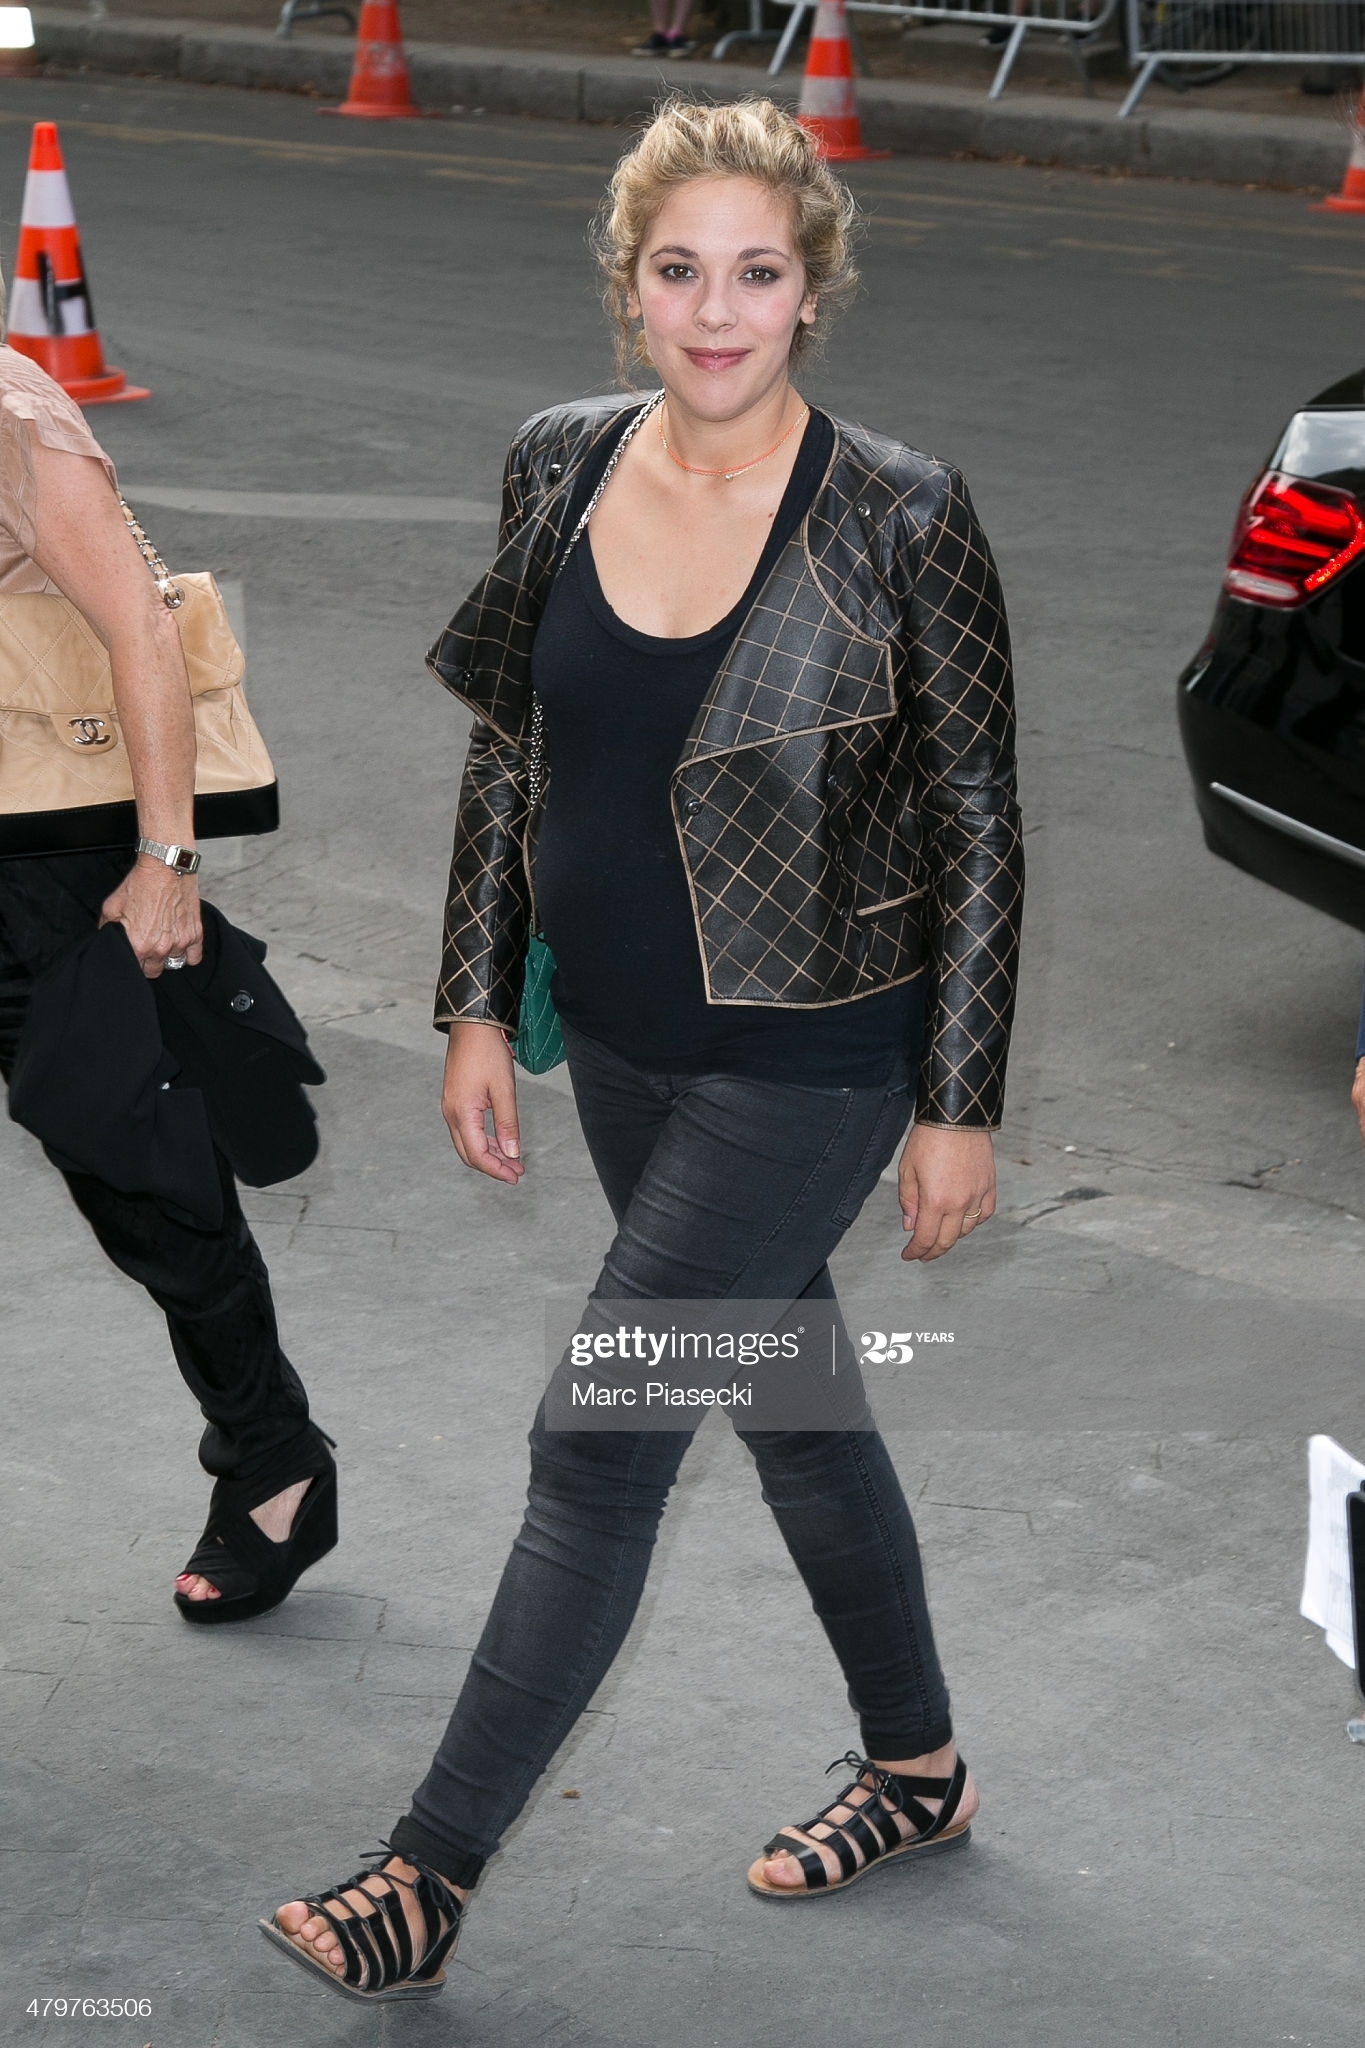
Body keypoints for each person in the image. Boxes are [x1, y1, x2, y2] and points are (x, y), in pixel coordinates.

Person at [263, 96, 1023, 2003]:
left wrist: (956, 1101)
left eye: (756, 272)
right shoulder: (560, 460)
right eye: (680, 270)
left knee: (596, 1439)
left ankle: (427, 1871)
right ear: (630, 282)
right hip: (617, 1043)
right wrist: (470, 1001)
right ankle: (919, 1770)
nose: (716, 310)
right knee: (794, 1401)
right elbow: (514, 749)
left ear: (811, 288)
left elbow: (980, 821)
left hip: (813, 1064)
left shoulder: (903, 511)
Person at [0, 337, 336, 1624]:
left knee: (140, 1181)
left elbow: (142, 625)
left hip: (40, 860)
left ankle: (273, 1458)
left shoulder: (15, 412)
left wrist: (166, 860)